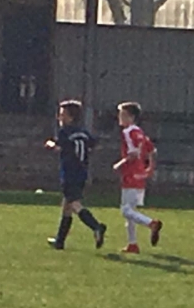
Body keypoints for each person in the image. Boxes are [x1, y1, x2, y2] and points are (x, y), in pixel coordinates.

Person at [44, 100, 106, 250]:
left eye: (62, 114)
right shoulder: (83, 132)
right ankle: (60, 241)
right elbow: (95, 145)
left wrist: (50, 144)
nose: (59, 118)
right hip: (82, 172)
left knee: (74, 204)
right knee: (66, 206)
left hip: (70, 172)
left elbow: (59, 147)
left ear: (70, 117)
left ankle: (96, 227)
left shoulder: (65, 132)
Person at [112, 102, 161, 254]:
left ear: (131, 117)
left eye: (123, 114)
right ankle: (132, 244)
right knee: (131, 211)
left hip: (130, 174)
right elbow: (152, 150)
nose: (120, 117)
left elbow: (133, 154)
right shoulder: (140, 132)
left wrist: (119, 164)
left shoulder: (128, 132)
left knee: (125, 210)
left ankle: (151, 223)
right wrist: (150, 168)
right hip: (140, 175)